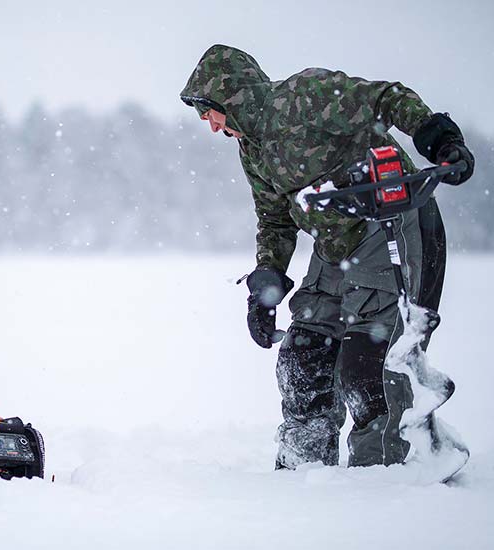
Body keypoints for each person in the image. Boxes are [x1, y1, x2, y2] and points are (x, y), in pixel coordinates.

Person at [180, 45, 474, 469]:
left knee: (367, 367)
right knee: (305, 353)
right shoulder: (253, 150)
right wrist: (265, 285)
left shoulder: (305, 96)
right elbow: (276, 222)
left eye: (208, 113)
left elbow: (384, 98)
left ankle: (392, 478)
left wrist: (438, 136)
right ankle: (305, 473)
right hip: (336, 247)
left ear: (230, 95)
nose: (210, 127)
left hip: (391, 224)